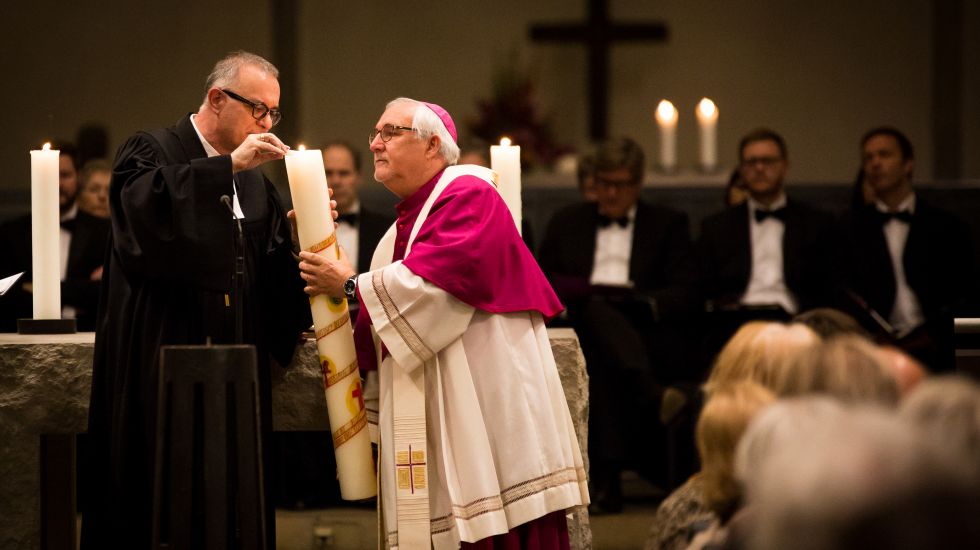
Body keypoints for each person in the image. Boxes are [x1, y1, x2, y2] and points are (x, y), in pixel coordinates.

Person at [297, 97, 587, 549]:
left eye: (390, 132)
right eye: (375, 133)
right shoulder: (407, 221)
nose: (375, 143)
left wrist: (350, 285)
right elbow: (392, 301)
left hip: (486, 404)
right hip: (451, 400)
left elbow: (431, 290)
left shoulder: (469, 193)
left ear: (433, 145)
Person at [81, 51, 310, 549]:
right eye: (259, 110)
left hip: (236, 370)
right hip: (160, 360)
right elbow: (144, 224)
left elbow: (268, 276)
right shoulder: (150, 151)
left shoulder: (255, 183)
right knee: (158, 502)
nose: (267, 123)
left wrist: (298, 237)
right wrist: (224, 168)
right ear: (216, 98)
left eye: (274, 113)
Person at [538, 136, 700, 512]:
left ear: (638, 184)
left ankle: (607, 483)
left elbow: (687, 289)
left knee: (602, 357)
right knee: (595, 323)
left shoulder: (667, 224)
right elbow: (543, 279)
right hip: (583, 328)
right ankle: (650, 392)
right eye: (602, 183)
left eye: (619, 185)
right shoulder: (567, 222)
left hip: (643, 331)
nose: (609, 193)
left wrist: (644, 302)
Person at [697, 128, 841, 364]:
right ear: (742, 170)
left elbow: (830, 286)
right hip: (736, 327)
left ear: (785, 165)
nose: (759, 168)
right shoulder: (716, 227)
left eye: (768, 161)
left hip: (798, 324)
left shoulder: (817, 223)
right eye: (751, 162)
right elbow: (704, 288)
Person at [841, 126, 977, 371]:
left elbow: (968, 295)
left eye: (884, 155)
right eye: (868, 158)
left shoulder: (947, 226)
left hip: (938, 345)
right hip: (875, 346)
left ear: (908, 165)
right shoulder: (848, 228)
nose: (875, 163)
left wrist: (968, 362)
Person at [0, 141, 108, 331]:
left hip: (87, 338)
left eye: (65, 175)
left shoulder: (104, 231)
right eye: (49, 175)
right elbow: (7, 293)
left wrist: (39, 288)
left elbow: (105, 293)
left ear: (79, 177)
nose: (57, 183)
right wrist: (79, 288)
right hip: (24, 338)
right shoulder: (12, 233)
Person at [322, 141, 394, 274]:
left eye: (344, 173)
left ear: (358, 177)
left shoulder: (388, 229)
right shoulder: (300, 229)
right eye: (328, 173)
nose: (336, 181)